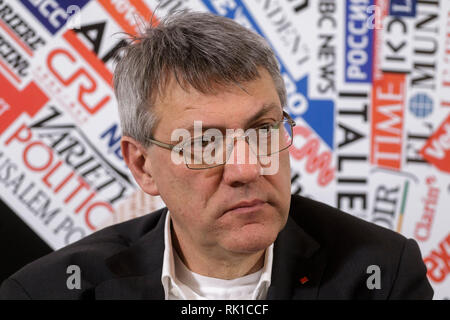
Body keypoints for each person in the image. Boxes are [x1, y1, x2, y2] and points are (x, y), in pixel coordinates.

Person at [0, 11, 433, 300]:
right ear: (142, 165)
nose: (247, 168)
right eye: (205, 143)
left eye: (263, 130)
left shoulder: (381, 274)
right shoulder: (47, 292)